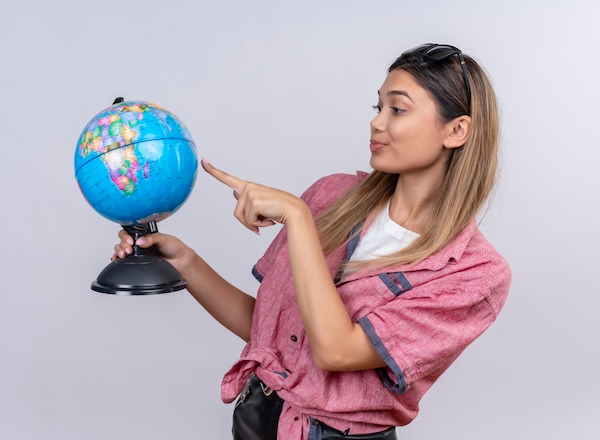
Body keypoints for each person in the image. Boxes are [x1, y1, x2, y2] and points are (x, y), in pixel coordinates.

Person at [112, 43, 511, 440]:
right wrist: (185, 262)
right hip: (259, 417)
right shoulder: (330, 195)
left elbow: (336, 351)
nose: (376, 123)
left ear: (456, 130)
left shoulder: (475, 274)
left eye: (398, 109)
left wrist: (297, 217)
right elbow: (270, 334)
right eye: (378, 108)